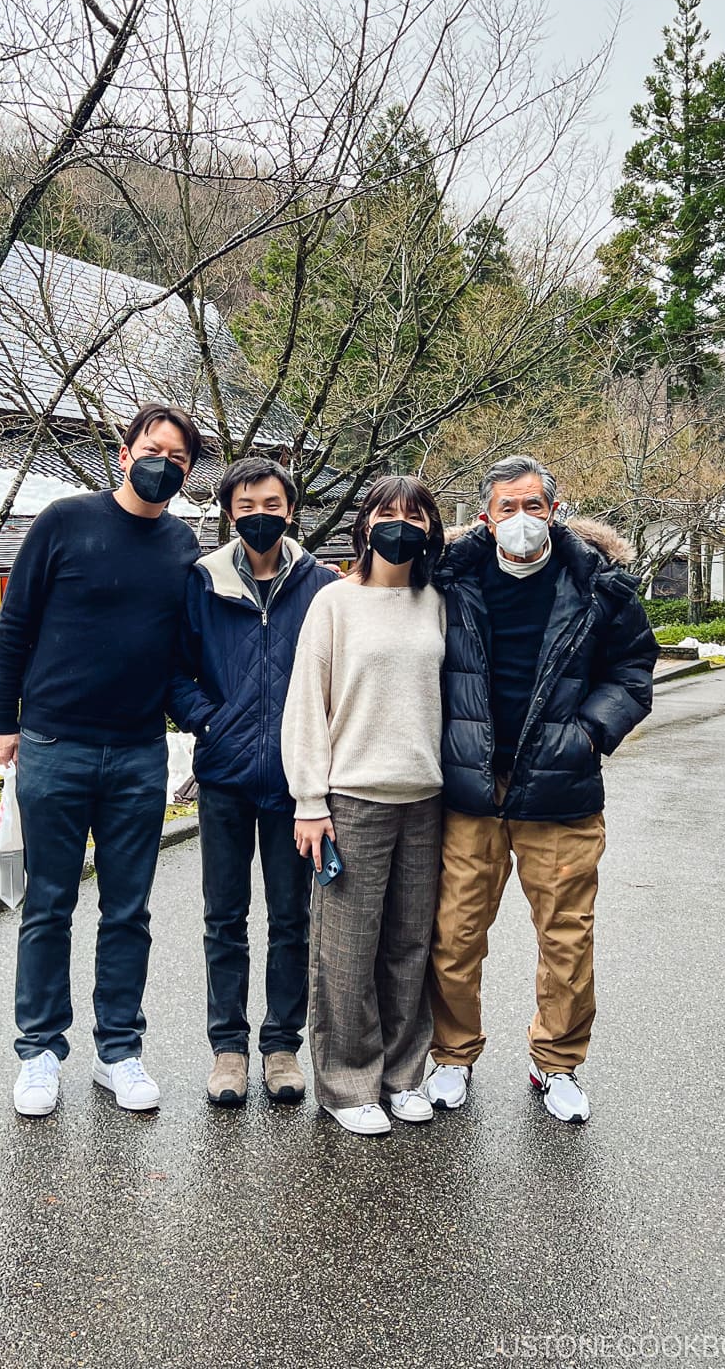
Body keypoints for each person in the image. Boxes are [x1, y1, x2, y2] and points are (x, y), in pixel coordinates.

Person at [421, 454, 659, 1125]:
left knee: (566, 938)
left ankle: (557, 1063)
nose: (521, 521)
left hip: (561, 792)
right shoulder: (449, 580)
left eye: (533, 506)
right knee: (455, 934)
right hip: (472, 789)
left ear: (555, 510)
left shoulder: (597, 586)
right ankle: (453, 1054)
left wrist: (586, 734)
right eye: (507, 508)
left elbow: (633, 669)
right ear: (484, 518)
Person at [0, 404, 202, 1118]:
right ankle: (40, 1050)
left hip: (140, 750)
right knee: (48, 906)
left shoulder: (183, 546)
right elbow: (14, 620)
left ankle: (120, 1050)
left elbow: (183, 650)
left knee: (128, 911)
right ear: (123, 454)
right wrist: (4, 720)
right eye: (151, 449)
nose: (161, 463)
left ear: (188, 471)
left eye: (176, 457)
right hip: (53, 744)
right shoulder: (65, 520)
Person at [168, 456, 336, 1107]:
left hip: (298, 784)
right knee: (224, 918)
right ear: (228, 513)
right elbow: (174, 672)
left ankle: (281, 1047)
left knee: (293, 919)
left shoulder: (321, 585)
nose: (259, 516)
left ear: (290, 509)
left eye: (271, 504)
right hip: (226, 779)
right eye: (246, 506)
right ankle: (229, 1051)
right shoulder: (201, 584)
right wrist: (212, 724)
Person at [281, 475, 447, 1137]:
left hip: (428, 797)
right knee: (345, 949)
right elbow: (306, 706)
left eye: (415, 516)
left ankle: (404, 1074)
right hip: (351, 799)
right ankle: (347, 1084)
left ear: (432, 530)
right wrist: (308, 801)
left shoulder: (436, 601)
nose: (399, 525)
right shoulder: (334, 603)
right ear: (364, 524)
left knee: (411, 945)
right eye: (387, 513)